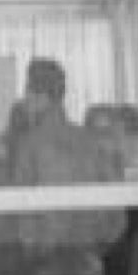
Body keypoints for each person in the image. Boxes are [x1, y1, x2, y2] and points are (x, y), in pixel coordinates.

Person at [12, 58, 108, 187]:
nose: (25, 99)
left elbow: (20, 200)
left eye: (27, 91)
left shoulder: (29, 145)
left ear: (42, 97)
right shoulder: (90, 140)